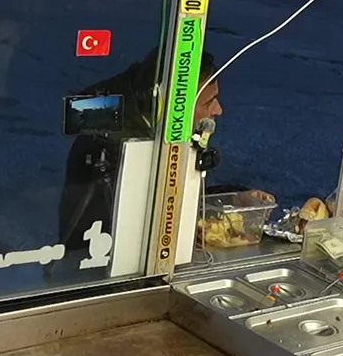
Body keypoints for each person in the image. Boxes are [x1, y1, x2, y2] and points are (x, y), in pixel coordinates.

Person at [57, 47, 223, 251]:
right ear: (170, 106)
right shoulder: (116, 151)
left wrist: (233, 198)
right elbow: (145, 224)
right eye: (208, 103)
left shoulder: (147, 123)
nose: (218, 110)